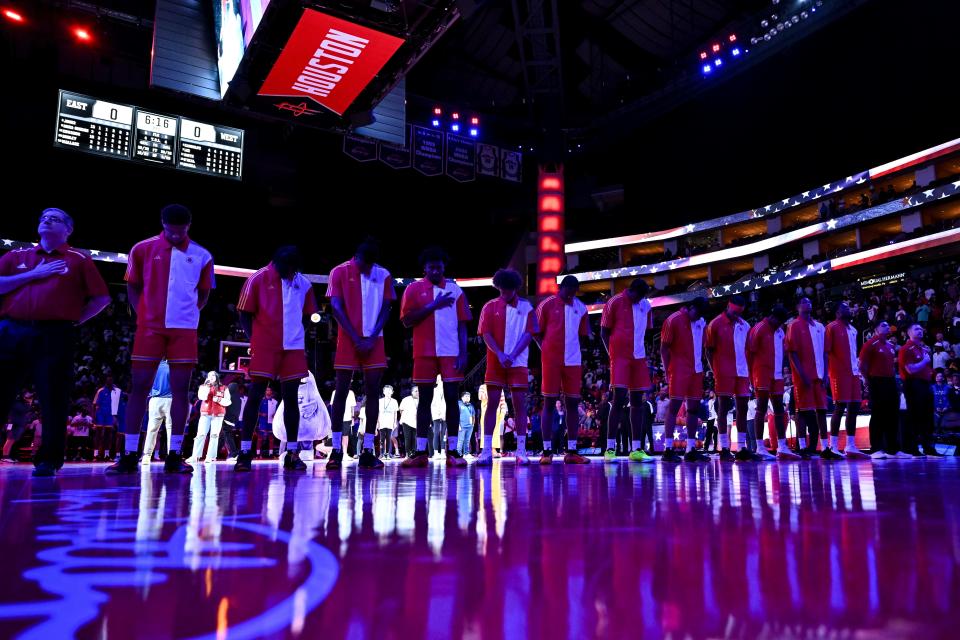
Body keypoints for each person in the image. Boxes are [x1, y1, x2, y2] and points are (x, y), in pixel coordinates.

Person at [0, 208, 110, 476]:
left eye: (55, 218)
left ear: (68, 230)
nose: (47, 219)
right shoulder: (17, 256)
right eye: (43, 217)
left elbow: (101, 299)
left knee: (53, 397)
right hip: (11, 329)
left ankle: (49, 459)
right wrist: (33, 274)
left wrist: (73, 321)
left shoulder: (79, 260)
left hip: (55, 334)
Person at [107, 204, 214, 475]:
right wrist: (143, 315)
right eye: (170, 231)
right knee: (140, 387)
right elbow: (132, 285)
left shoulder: (202, 255)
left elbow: (203, 295)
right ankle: (130, 454)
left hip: (184, 330)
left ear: (188, 226)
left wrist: (186, 315)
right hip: (150, 328)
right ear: (162, 224)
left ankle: (174, 455)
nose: (175, 236)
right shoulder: (141, 249)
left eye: (180, 231)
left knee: (180, 390)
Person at [235, 246, 319, 472]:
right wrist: (255, 340)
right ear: (279, 265)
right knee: (255, 396)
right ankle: (244, 453)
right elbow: (243, 312)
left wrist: (299, 334)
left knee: (292, 399)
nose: (293, 275)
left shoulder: (304, 283)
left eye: (295, 271)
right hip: (265, 347)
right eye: (289, 270)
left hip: (292, 348)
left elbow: (310, 314)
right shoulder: (258, 278)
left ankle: (292, 452)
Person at [326, 239, 396, 470]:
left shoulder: (383, 274)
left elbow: (387, 307)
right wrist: (356, 338)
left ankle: (367, 450)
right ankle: (336, 450)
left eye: (371, 265)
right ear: (356, 257)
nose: (368, 269)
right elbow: (335, 306)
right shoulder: (339, 271)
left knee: (373, 392)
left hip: (375, 340)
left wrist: (373, 335)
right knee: (341, 391)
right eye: (364, 264)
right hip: (348, 339)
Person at [399, 247, 471, 468]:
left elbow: (462, 325)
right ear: (424, 268)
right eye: (431, 267)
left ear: (444, 267)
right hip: (424, 352)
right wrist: (433, 305)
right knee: (424, 401)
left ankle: (453, 451)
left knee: (452, 399)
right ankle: (420, 451)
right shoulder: (413, 289)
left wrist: (463, 351)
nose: (435, 270)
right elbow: (406, 321)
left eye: (439, 266)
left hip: (451, 353)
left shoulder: (455, 290)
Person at [476, 268, 537, 465]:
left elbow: (529, 334)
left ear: (515, 288)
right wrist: (501, 354)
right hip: (496, 361)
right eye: (501, 289)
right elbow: (485, 334)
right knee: (491, 405)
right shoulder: (489, 306)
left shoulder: (527, 307)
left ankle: (521, 451)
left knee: (520, 404)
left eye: (508, 289)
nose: (505, 293)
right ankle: (486, 450)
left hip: (518, 362)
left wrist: (512, 354)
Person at [536, 275, 591, 464]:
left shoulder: (581, 307)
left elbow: (584, 334)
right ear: (561, 287)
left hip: (573, 360)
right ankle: (546, 451)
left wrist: (575, 351)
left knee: (573, 404)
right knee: (549, 403)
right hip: (551, 360)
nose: (571, 296)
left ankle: (572, 451)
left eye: (575, 292)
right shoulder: (546, 305)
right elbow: (535, 332)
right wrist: (545, 349)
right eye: (569, 292)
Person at [599, 278, 655, 463]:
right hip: (620, 357)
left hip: (638, 356)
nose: (639, 300)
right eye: (638, 297)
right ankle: (609, 449)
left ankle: (636, 448)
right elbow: (604, 331)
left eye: (642, 298)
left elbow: (646, 331)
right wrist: (612, 354)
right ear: (632, 291)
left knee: (637, 402)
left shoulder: (645, 305)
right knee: (618, 400)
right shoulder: (614, 302)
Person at [706, 295, 763, 461]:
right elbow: (708, 350)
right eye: (734, 312)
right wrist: (714, 370)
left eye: (739, 312)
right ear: (728, 307)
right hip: (723, 371)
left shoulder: (745, 325)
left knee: (743, 409)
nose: (736, 315)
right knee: (723, 408)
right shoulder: (715, 324)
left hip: (743, 371)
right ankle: (724, 447)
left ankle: (741, 447)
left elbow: (750, 350)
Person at [660, 297, 710, 463]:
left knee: (693, 410)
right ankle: (668, 449)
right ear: (690, 306)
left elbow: (703, 346)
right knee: (674, 407)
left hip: (696, 370)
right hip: (679, 369)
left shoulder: (701, 322)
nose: (698, 317)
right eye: (697, 313)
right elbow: (664, 348)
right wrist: (667, 370)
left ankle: (690, 449)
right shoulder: (673, 319)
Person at [747, 305, 797, 460]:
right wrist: (750, 377)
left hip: (777, 374)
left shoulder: (781, 331)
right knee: (761, 408)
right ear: (773, 317)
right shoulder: (759, 328)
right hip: (761, 373)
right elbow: (749, 353)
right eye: (778, 321)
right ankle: (760, 447)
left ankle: (782, 447)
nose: (779, 325)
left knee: (779, 410)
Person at [786, 297, 834, 459]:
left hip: (820, 376)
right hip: (803, 377)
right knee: (802, 412)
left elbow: (826, 353)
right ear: (798, 306)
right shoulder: (793, 325)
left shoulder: (820, 326)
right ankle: (802, 447)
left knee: (821, 411)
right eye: (804, 301)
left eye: (809, 301)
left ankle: (826, 446)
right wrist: (801, 374)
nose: (808, 303)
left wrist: (826, 372)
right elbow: (792, 352)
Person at [825, 302, 870, 459]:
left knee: (855, 407)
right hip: (839, 373)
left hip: (853, 372)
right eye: (844, 307)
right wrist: (825, 373)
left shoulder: (854, 330)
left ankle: (851, 446)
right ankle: (833, 446)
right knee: (840, 407)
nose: (849, 309)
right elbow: (826, 351)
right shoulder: (831, 327)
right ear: (838, 312)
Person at [858, 320, 905, 458]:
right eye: (883, 325)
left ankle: (893, 449)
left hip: (890, 381)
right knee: (878, 414)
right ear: (876, 329)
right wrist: (868, 380)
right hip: (876, 381)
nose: (887, 327)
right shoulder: (870, 344)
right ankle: (876, 448)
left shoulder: (890, 346)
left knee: (892, 414)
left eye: (887, 325)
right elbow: (861, 365)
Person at [898, 322, 945, 457]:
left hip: (926, 385)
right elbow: (910, 369)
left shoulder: (923, 349)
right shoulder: (905, 349)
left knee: (927, 418)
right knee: (915, 417)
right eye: (916, 329)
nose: (920, 330)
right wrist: (924, 361)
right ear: (909, 332)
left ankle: (928, 448)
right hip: (913, 385)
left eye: (921, 328)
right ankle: (912, 448)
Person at [188, 371, 231, 463]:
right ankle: (195, 456)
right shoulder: (203, 387)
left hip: (218, 415)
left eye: (213, 375)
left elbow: (228, 401)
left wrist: (219, 399)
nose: (211, 377)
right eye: (209, 375)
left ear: (217, 377)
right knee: (200, 434)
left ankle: (210, 457)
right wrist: (206, 386)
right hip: (205, 413)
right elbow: (202, 397)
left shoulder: (224, 388)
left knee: (214, 435)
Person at [142, 360, 172, 464]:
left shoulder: (152, 366)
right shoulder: (173, 366)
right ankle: (171, 456)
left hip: (154, 400)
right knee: (170, 429)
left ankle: (147, 455)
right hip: (170, 400)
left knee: (151, 429)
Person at [93, 375, 121, 461]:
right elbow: (95, 404)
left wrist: (116, 416)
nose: (110, 382)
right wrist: (95, 417)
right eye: (108, 380)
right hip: (100, 414)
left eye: (111, 380)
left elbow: (118, 405)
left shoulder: (116, 391)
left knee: (108, 435)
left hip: (110, 415)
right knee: (98, 434)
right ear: (106, 381)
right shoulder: (100, 391)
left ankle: (106, 455)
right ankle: (96, 454)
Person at [377, 385, 399, 458]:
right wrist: (378, 422)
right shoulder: (380, 401)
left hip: (390, 422)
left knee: (389, 438)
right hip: (382, 422)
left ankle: (387, 453)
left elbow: (395, 413)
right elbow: (378, 412)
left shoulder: (394, 401)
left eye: (389, 391)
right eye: (386, 391)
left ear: (392, 392)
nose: (388, 392)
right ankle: (381, 453)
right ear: (383, 392)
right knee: (382, 438)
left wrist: (395, 422)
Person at [398, 387, 419, 457]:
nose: (417, 392)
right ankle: (407, 453)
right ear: (412, 392)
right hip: (406, 421)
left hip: (416, 422)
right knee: (407, 437)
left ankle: (413, 453)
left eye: (418, 391)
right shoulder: (406, 399)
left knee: (415, 438)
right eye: (416, 391)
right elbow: (401, 410)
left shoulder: (421, 399)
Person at [457, 391, 476, 457]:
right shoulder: (459, 404)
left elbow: (473, 415)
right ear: (462, 397)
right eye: (466, 396)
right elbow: (456, 415)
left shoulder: (471, 406)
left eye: (469, 396)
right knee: (460, 440)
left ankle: (466, 453)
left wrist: (473, 424)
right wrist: (458, 425)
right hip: (462, 426)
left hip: (470, 426)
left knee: (467, 440)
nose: (467, 398)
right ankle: (458, 453)